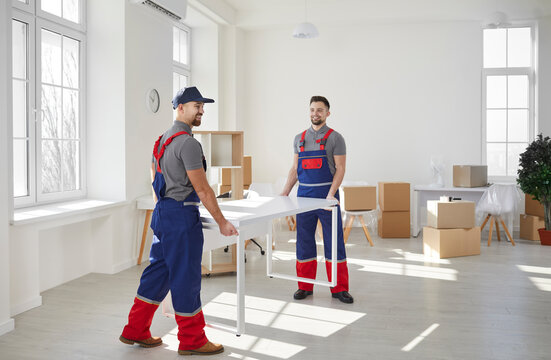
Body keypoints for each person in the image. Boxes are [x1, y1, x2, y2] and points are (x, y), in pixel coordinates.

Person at [120, 86, 238, 356]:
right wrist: (221, 221)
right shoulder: (188, 143)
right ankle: (192, 340)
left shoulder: (161, 141)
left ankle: (135, 329)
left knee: (157, 274)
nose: (202, 110)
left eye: (202, 106)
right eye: (197, 105)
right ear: (180, 108)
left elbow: (154, 178)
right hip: (182, 216)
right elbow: (203, 189)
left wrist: (164, 206)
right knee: (186, 278)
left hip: (162, 214)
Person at [280, 95, 353, 304]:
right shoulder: (299, 139)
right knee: (303, 242)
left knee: (334, 242)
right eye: (312, 109)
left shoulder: (335, 138)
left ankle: (339, 288)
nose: (315, 114)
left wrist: (331, 194)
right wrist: (285, 192)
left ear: (327, 113)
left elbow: (340, 169)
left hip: (327, 198)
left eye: (320, 110)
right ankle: (304, 286)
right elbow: (295, 169)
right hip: (303, 198)